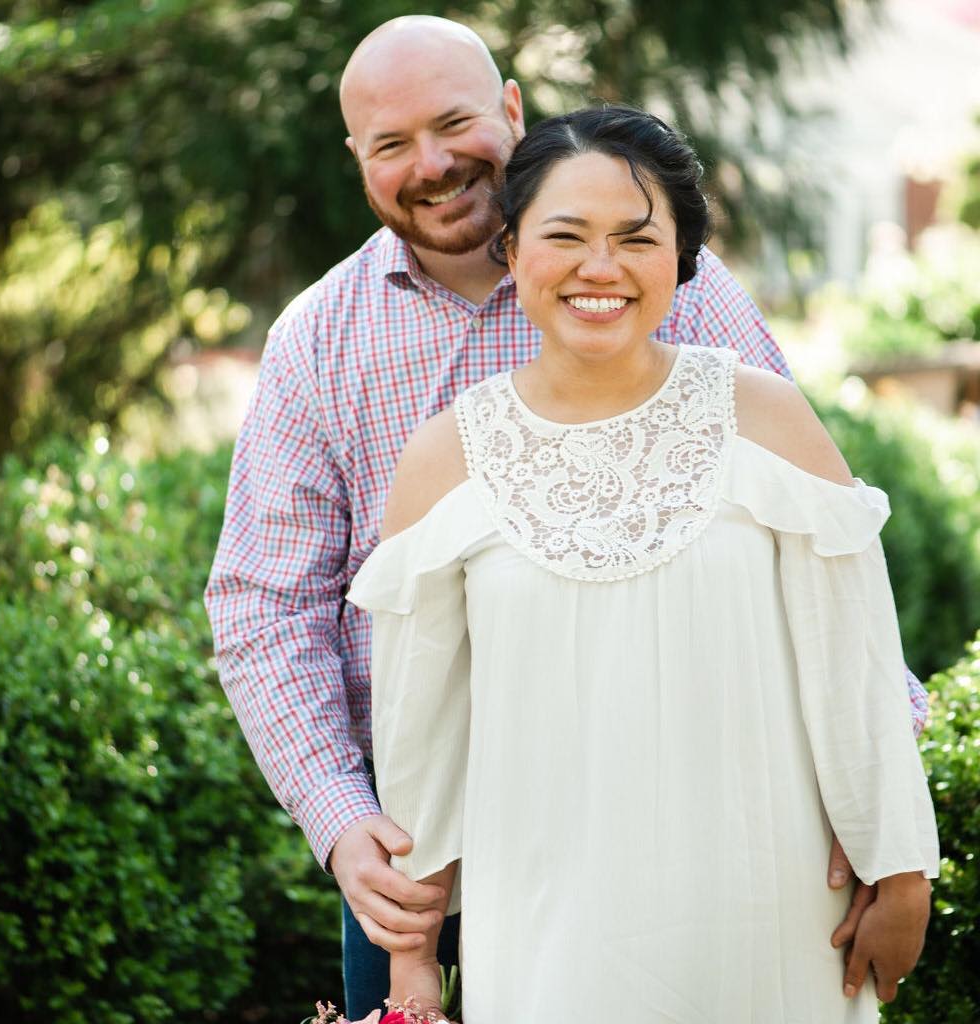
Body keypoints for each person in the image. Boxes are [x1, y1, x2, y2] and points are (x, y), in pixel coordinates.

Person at [203, 15, 929, 1018]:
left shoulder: (660, 277)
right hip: (425, 833)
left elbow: (806, 534)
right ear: (357, 160)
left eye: (454, 123)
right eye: (391, 143)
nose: (432, 163)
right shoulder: (316, 342)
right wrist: (342, 822)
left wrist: (877, 815)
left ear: (510, 108)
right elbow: (263, 604)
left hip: (704, 804)